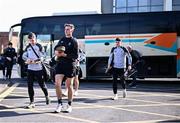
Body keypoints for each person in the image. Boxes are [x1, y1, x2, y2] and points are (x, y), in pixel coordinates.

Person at [54, 23, 78, 113]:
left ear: (72, 30)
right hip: (60, 64)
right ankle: (59, 104)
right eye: (65, 29)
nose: (66, 31)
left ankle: (69, 104)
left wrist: (65, 54)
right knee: (57, 84)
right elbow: (56, 48)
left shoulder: (74, 41)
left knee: (69, 85)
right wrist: (57, 52)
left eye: (68, 29)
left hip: (70, 65)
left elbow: (75, 56)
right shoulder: (62, 40)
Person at [22, 32, 50, 109]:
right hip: (30, 69)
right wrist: (27, 59)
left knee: (42, 85)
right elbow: (24, 55)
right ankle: (32, 102)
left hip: (38, 69)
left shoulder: (39, 46)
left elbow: (43, 56)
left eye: (33, 40)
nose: (32, 42)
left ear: (35, 38)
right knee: (29, 85)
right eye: (30, 40)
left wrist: (36, 61)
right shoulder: (28, 47)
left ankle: (47, 96)